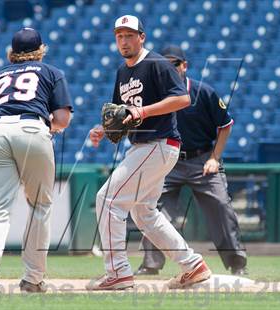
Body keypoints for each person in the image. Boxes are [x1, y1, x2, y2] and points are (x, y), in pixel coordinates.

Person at [86, 15, 211, 291]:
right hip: (144, 147)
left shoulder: (157, 63)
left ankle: (118, 273)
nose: (124, 40)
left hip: (158, 144)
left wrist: (143, 111)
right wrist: (102, 130)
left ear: (142, 37)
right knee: (145, 213)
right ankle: (193, 266)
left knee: (107, 200)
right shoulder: (122, 72)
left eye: (130, 35)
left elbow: (182, 98)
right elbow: (120, 116)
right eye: (120, 35)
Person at [0, 28, 73, 294]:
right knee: (40, 205)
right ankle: (33, 278)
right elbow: (62, 119)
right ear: (41, 50)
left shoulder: (2, 74)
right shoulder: (52, 72)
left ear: (13, 52)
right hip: (31, 129)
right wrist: (48, 127)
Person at [135, 45, 247, 276]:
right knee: (151, 207)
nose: (170, 68)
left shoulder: (202, 92)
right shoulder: (154, 96)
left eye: (174, 64)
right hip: (167, 161)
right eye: (164, 65)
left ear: (184, 66)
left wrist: (215, 158)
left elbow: (225, 125)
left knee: (220, 205)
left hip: (201, 158)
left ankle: (237, 264)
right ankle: (150, 264)